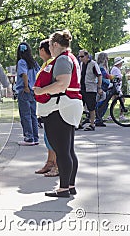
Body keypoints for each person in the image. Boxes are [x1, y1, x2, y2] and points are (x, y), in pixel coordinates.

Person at [33, 29, 83, 197]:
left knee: (62, 150)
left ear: (55, 44)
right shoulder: (71, 58)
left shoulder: (62, 60)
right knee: (68, 150)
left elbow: (62, 84)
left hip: (61, 107)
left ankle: (63, 189)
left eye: (49, 45)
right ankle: (69, 186)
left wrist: (40, 91)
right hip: (69, 105)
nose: (49, 50)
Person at [34, 39, 58, 177]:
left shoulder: (53, 64)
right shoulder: (46, 64)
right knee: (48, 136)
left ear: (43, 50)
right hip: (45, 104)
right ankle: (50, 162)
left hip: (51, 104)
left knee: (54, 137)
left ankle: (56, 164)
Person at [15, 42, 40, 146]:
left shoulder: (21, 62)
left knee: (25, 115)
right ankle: (35, 137)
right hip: (33, 90)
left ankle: (28, 137)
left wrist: (26, 86)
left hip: (25, 91)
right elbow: (39, 74)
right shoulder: (34, 63)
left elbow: (24, 74)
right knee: (33, 115)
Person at [78, 50, 102, 131]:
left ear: (87, 56)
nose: (80, 58)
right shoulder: (81, 64)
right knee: (80, 106)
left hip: (91, 89)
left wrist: (99, 87)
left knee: (91, 107)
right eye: (79, 57)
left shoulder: (93, 64)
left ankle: (92, 124)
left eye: (82, 56)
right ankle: (79, 123)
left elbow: (99, 75)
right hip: (82, 88)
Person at [95, 52, 114, 126]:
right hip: (102, 86)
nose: (108, 59)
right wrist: (114, 77)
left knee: (105, 102)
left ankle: (99, 117)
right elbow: (105, 75)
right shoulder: (100, 66)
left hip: (105, 85)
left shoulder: (104, 66)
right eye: (107, 58)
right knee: (102, 102)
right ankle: (97, 116)